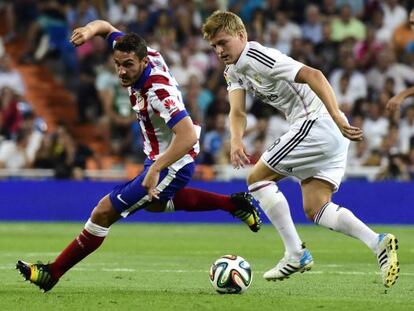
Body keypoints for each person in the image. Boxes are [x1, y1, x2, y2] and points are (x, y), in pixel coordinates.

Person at [16, 19, 261, 292]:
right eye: (118, 64)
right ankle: (233, 204)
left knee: (103, 212)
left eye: (128, 65)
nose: (121, 71)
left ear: (144, 61)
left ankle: (52, 272)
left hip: (174, 163)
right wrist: (88, 31)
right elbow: (107, 28)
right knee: (156, 203)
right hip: (158, 155)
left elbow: (188, 135)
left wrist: (156, 169)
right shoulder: (138, 53)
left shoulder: (158, 92)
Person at [201, 11, 399, 289]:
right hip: (323, 131)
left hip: (316, 123)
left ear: (241, 36)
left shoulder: (257, 57)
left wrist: (338, 117)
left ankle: (295, 253)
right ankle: (377, 243)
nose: (219, 50)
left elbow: (314, 75)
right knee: (316, 207)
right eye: (214, 46)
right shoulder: (233, 69)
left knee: (257, 179)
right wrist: (236, 140)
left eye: (223, 42)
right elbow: (237, 111)